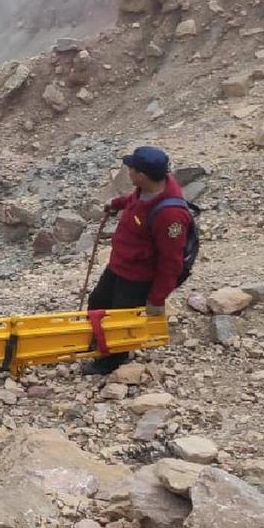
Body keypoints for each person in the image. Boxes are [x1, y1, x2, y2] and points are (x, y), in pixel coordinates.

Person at [83, 146, 192, 375]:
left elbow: (171, 262)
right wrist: (117, 204)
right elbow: (135, 200)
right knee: (98, 302)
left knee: (121, 320)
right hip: (119, 265)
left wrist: (157, 298)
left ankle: (111, 362)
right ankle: (98, 341)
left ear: (141, 175)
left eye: (131, 169)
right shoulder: (148, 188)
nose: (128, 172)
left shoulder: (170, 216)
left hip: (137, 277)